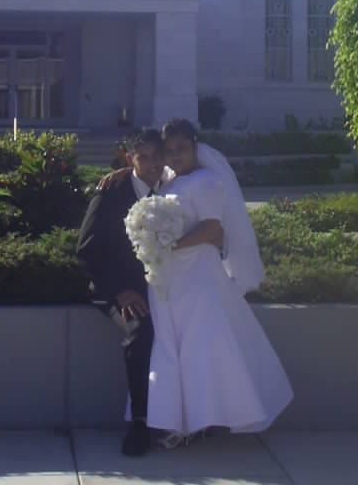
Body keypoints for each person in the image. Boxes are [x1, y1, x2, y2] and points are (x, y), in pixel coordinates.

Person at [147, 118, 294, 446]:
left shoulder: (207, 182)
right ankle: (178, 419)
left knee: (199, 351)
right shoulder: (170, 182)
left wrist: (169, 245)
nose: (175, 156)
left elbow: (214, 232)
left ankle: (198, 421)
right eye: (169, 150)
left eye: (181, 149)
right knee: (175, 350)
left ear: (195, 147)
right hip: (171, 280)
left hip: (198, 280)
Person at [76, 129, 167, 457]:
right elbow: (86, 250)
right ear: (131, 160)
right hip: (112, 287)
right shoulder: (111, 191)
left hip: (158, 287)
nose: (153, 164)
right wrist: (121, 291)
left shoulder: (170, 188)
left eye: (159, 157)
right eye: (144, 158)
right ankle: (140, 425)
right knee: (141, 332)